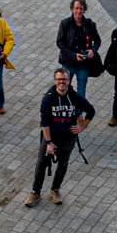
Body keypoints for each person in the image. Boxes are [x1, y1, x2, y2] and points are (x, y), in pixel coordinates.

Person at [24, 67, 95, 207]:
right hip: (51, 138)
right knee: (41, 165)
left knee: (63, 165)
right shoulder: (48, 98)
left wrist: (82, 127)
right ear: (55, 81)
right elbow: (45, 122)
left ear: (69, 80)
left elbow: (91, 111)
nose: (62, 82)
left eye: (64, 79)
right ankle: (35, 192)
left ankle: (55, 190)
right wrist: (48, 142)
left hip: (68, 139)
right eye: (59, 79)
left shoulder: (75, 96)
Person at [55, 0, 102, 98]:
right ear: (72, 9)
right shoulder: (65, 24)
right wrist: (73, 55)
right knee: (63, 89)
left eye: (81, 8)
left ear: (84, 10)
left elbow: (97, 40)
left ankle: (78, 109)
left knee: (81, 92)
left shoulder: (90, 25)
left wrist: (93, 50)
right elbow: (59, 42)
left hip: (83, 64)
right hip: (68, 63)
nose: (79, 11)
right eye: (76, 8)